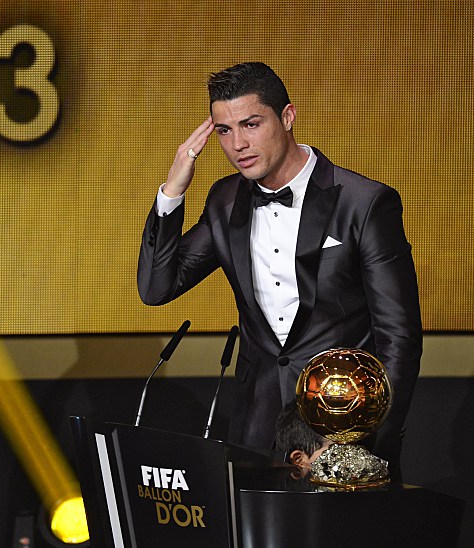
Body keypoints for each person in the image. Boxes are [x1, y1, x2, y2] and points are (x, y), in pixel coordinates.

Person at [137, 62, 422, 480]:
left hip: (344, 425)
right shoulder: (225, 201)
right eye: (224, 131)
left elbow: (399, 336)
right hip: (258, 425)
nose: (238, 144)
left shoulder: (364, 203)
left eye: (251, 125)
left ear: (287, 117)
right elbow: (156, 287)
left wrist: (371, 438)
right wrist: (172, 190)